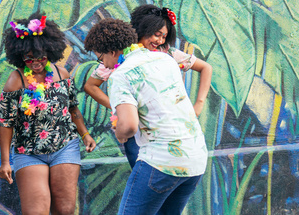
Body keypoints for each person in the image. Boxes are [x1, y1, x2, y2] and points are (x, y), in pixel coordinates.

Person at [84, 19, 208, 214]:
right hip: (195, 158)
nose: (103, 63)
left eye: (100, 58)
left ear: (112, 52)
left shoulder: (121, 75)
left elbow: (130, 126)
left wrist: (120, 133)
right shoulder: (165, 59)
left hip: (161, 161)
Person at [84, 5, 212, 167]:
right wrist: (121, 107)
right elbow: (91, 86)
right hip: (135, 129)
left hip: (166, 131)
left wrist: (199, 104)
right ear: (142, 30)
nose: (160, 41)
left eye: (164, 36)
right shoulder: (118, 57)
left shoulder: (167, 54)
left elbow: (206, 67)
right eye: (156, 35)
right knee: (142, 170)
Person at [0, 13, 96, 215]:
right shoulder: (15, 80)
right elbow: (6, 123)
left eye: (40, 57)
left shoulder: (62, 74)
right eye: (29, 58)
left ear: (50, 51)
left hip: (65, 146)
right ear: (20, 55)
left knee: (65, 209)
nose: (35, 62)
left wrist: (85, 134)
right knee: (36, 211)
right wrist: (5, 161)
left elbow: (73, 108)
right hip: (29, 151)